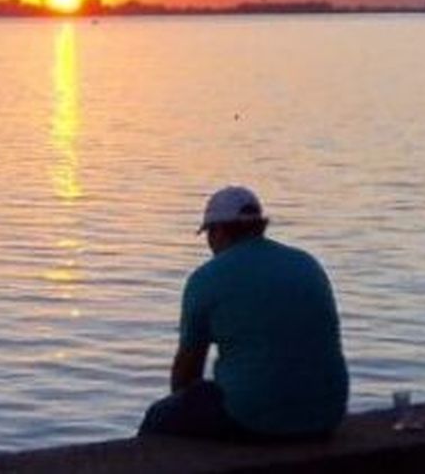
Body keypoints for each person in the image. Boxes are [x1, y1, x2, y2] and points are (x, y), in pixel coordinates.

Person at [138, 185, 348, 441]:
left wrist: (184, 407)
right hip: (326, 415)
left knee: (160, 416)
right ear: (259, 226)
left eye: (209, 234)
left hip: (254, 421)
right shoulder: (306, 263)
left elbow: (187, 370)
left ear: (217, 230)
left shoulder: (207, 278)